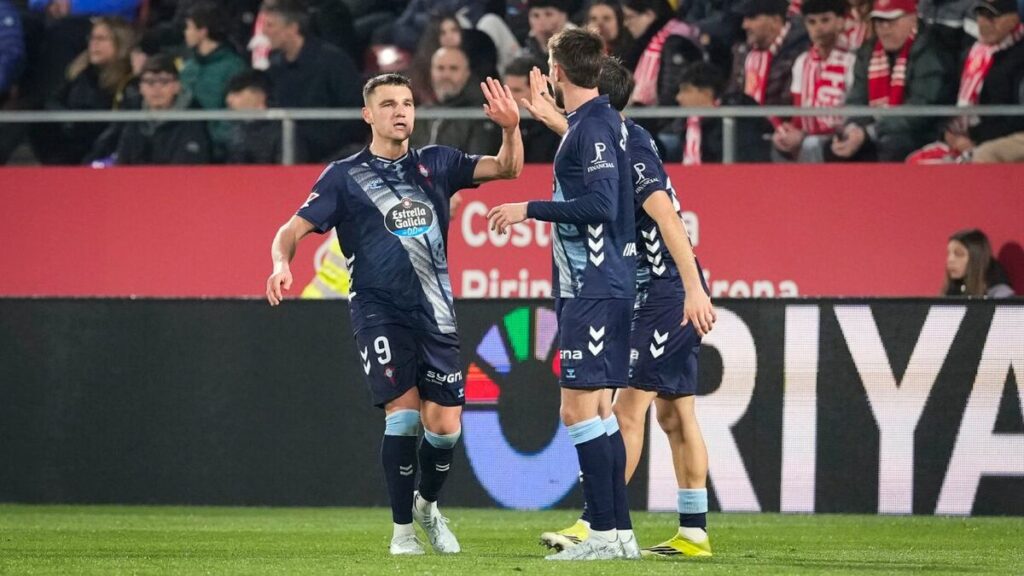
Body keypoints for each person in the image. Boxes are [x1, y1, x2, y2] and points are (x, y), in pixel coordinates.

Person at [265, 72, 523, 555]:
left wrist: (511, 128)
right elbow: (291, 230)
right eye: (388, 104)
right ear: (369, 114)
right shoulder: (344, 176)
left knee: (444, 429)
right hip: (378, 311)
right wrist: (281, 264)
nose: (400, 111)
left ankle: (427, 506)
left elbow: (508, 169)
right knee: (403, 420)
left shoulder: (437, 163)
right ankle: (403, 530)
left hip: (436, 312)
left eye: (406, 102)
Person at [522, 56, 718, 559]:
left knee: (625, 409)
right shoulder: (621, 135)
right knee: (676, 415)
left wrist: (693, 288)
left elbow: (669, 217)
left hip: (662, 290)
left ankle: (598, 524)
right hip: (659, 288)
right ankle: (693, 532)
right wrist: (550, 117)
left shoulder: (627, 149)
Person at [487, 28, 638, 561]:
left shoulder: (594, 128)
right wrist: (547, 114)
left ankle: (600, 535)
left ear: (556, 70)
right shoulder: (597, 122)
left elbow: (600, 203)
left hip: (595, 285)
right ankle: (617, 535)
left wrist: (529, 207)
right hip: (595, 286)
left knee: (578, 413)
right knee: (594, 412)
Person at [830, 0, 958, 162]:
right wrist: (852, 128)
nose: (884, 28)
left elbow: (920, 110)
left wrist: (870, 132)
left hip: (922, 133)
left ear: (912, 19)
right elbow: (857, 98)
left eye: (891, 21)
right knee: (836, 146)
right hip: (877, 130)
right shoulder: (868, 52)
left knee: (892, 144)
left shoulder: (930, 52)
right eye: (879, 22)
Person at [906, 0, 1024, 164]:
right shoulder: (972, 54)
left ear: (1013, 19)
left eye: (992, 16)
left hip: (998, 138)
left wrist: (973, 138)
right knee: (917, 161)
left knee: (981, 157)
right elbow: (949, 97)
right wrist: (947, 132)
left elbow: (1015, 118)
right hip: (966, 138)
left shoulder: (1018, 58)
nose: (983, 22)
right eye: (980, 15)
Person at [262, 0, 365, 162]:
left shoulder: (333, 61)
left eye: (270, 25)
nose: (264, 32)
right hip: (289, 148)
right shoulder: (275, 67)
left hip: (335, 151)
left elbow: (354, 113)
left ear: (292, 28)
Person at [31, 16, 134, 165]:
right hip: (68, 145)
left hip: (101, 151)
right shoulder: (79, 72)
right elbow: (53, 100)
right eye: (92, 38)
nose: (94, 44)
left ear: (120, 43)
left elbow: (117, 129)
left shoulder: (128, 79)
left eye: (101, 38)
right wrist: (68, 119)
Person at [772, 0, 857, 162]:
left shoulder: (852, 60)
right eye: (812, 22)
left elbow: (854, 109)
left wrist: (804, 135)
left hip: (843, 135)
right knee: (778, 141)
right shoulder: (802, 62)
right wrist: (790, 131)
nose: (818, 28)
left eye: (825, 20)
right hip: (808, 133)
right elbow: (799, 111)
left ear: (841, 22)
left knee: (811, 144)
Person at [659, 61, 774, 163]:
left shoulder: (738, 122)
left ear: (706, 93)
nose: (679, 97)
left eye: (686, 90)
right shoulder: (685, 125)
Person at [113, 54, 211, 165]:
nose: (157, 88)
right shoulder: (133, 117)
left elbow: (189, 166)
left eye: (164, 81)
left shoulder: (193, 119)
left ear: (177, 86)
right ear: (141, 88)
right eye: (150, 82)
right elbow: (122, 161)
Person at [180, 1, 247, 160]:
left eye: (188, 27)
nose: (185, 33)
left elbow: (236, 111)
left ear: (202, 31)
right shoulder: (188, 67)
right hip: (186, 146)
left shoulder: (234, 66)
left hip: (220, 150)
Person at [410, 46, 502, 154]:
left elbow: (477, 164)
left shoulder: (480, 115)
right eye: (440, 68)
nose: (446, 75)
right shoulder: (419, 114)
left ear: (467, 73)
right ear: (431, 72)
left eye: (453, 68)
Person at [728, 0, 809, 109]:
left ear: (775, 21)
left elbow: (788, 105)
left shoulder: (801, 52)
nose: (744, 25)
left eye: (752, 17)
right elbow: (732, 95)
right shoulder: (742, 52)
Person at [503, 56, 561, 162]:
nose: (509, 96)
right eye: (506, 90)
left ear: (538, 89)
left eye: (516, 90)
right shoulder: (501, 124)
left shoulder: (557, 127)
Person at [943, 229, 1015, 298]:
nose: (950, 260)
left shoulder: (1001, 295)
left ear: (976, 258)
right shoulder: (953, 290)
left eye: (959, 254)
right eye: (949, 253)